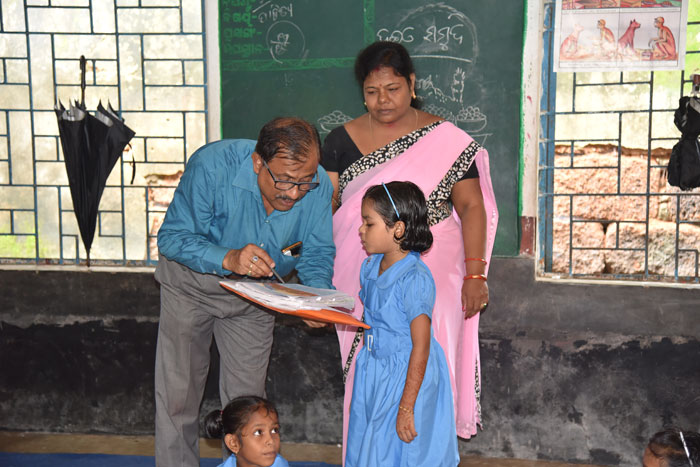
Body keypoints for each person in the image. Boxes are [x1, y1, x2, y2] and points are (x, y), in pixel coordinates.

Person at [321, 41, 498, 453]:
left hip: (436, 270)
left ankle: (423, 451)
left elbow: (471, 207)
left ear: (412, 84)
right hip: (361, 269)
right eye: (371, 91)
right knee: (369, 367)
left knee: (425, 359)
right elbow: (327, 209)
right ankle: (370, 453)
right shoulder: (340, 141)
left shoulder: (448, 139)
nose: (382, 100)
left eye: (393, 89)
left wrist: (475, 275)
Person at [154, 117, 335, 467]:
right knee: (179, 397)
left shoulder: (319, 188)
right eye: (283, 180)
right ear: (258, 162)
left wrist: (317, 301)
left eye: (304, 182)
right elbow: (172, 238)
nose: (294, 193)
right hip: (191, 287)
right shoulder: (212, 166)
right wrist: (229, 257)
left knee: (250, 410)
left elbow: (315, 253)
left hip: (255, 297)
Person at [346, 182, 459, 467]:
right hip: (373, 368)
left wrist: (407, 406)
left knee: (398, 451)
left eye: (368, 223)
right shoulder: (370, 267)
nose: (361, 230)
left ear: (397, 229)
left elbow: (420, 345)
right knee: (369, 443)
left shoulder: (414, 278)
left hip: (406, 372)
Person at [203, 396, 289, 467]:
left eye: (275, 430)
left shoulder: (280, 464)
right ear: (233, 443)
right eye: (258, 432)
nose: (271, 440)